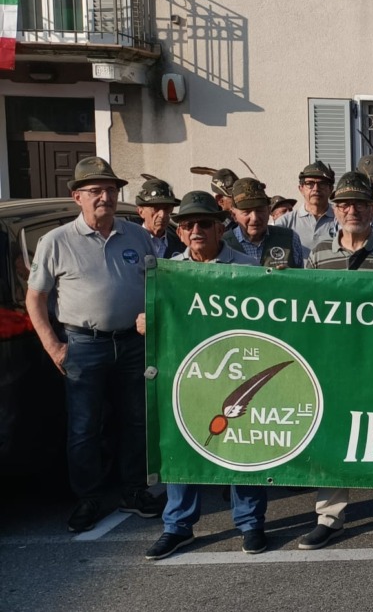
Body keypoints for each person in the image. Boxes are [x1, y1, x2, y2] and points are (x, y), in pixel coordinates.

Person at [25, 157, 164, 532]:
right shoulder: (55, 242)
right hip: (83, 344)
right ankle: (89, 498)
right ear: (77, 197)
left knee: (137, 421)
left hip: (133, 344)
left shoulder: (136, 235)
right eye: (96, 191)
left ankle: (134, 490)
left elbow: (159, 286)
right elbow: (35, 299)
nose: (106, 196)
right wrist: (53, 346)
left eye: (111, 189)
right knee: (85, 426)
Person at [142, 191, 268, 559]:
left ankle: (251, 523)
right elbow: (154, 318)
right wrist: (144, 320)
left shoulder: (248, 268)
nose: (196, 230)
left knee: (242, 446)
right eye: (188, 225)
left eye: (204, 224)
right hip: (188, 371)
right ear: (180, 233)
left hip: (237, 369)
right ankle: (177, 527)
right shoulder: (166, 271)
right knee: (182, 443)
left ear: (220, 228)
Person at [299, 171, 373, 549]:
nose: (353, 210)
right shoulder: (319, 253)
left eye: (361, 203)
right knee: (334, 435)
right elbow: (305, 307)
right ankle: (330, 517)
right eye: (345, 203)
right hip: (335, 362)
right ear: (335, 209)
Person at [222, 177, 305, 268]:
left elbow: (304, 280)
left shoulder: (290, 238)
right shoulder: (222, 244)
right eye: (246, 212)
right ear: (233, 215)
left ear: (269, 210)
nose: (255, 218)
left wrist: (291, 276)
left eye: (260, 210)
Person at [277, 160, 338, 257]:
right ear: (301, 189)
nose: (316, 189)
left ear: (330, 189)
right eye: (310, 184)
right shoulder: (285, 223)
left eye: (322, 184)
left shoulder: (341, 219)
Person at [134, 176, 184, 259]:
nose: (162, 214)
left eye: (167, 208)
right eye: (156, 208)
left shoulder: (180, 245)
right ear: (141, 212)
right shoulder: (129, 241)